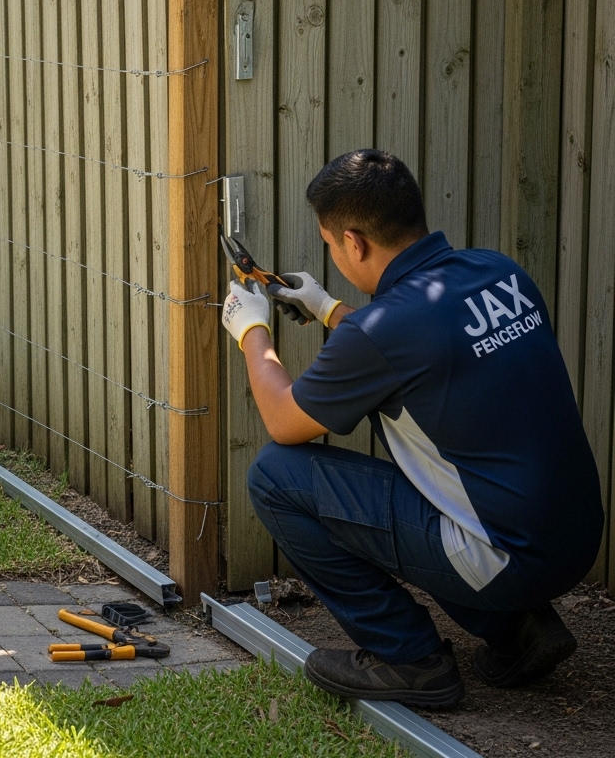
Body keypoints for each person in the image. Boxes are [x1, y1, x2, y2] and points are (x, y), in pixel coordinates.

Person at [221, 149, 603, 709]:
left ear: (353, 242)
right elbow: (426, 346)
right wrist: (328, 309)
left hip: (506, 558)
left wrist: (251, 329)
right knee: (459, 495)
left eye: (330, 243)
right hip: (576, 539)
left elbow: (282, 420)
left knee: (275, 477)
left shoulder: (382, 331)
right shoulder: (497, 271)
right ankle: (518, 630)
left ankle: (410, 659)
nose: (333, 252)